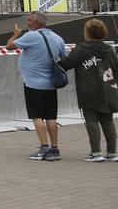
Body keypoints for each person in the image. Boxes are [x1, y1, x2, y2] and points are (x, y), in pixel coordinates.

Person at [6, 10, 67, 161]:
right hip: (51, 85)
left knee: (37, 116)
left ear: (37, 23)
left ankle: (44, 148)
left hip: (33, 84)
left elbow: (9, 46)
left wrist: (15, 34)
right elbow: (64, 58)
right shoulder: (57, 38)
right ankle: (55, 148)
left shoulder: (31, 36)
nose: (28, 22)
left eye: (30, 20)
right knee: (51, 117)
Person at [57, 18, 118, 161]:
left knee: (91, 120)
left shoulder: (82, 49)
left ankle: (96, 152)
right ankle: (112, 152)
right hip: (108, 88)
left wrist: (55, 60)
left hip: (89, 90)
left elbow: (66, 64)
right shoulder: (109, 49)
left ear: (87, 33)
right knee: (107, 120)